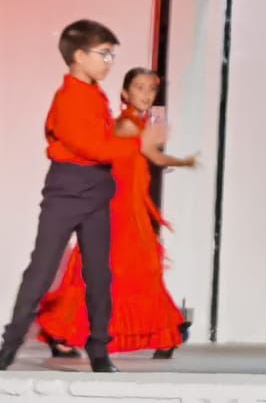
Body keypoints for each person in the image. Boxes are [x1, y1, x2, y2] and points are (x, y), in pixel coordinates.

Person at [0, 21, 168, 373]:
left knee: (100, 274)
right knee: (42, 270)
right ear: (78, 57)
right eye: (103, 54)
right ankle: (9, 344)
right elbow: (91, 146)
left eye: (112, 55)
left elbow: (104, 144)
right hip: (67, 189)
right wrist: (129, 142)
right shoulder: (68, 97)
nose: (109, 62)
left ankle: (99, 349)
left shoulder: (96, 95)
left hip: (96, 190)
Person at [36, 67, 198, 359]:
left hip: (129, 208)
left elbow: (150, 155)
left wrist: (179, 157)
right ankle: (63, 333)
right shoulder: (125, 126)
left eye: (151, 89)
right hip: (117, 210)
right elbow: (147, 153)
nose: (146, 94)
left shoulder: (134, 124)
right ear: (125, 93)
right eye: (139, 88)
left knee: (132, 271)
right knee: (112, 271)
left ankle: (162, 334)